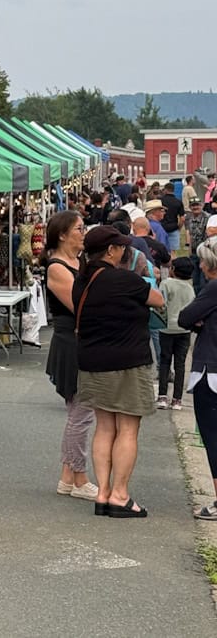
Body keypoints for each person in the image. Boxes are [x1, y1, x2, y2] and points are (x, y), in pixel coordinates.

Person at [72, 225, 163, 518]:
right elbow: (158, 300)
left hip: (92, 362)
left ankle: (102, 492)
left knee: (104, 427)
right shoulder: (125, 279)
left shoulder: (81, 281)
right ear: (110, 250)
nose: (125, 250)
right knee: (128, 428)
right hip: (128, 362)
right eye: (121, 247)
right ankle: (120, 495)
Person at [41, 210, 99, 501]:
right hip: (71, 341)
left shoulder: (81, 261)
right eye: (79, 229)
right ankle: (79, 478)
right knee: (81, 413)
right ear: (62, 234)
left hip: (83, 339)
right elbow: (81, 306)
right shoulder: (56, 267)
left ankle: (67, 477)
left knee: (80, 412)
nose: (83, 233)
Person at [179, 237, 217, 520]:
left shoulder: (213, 288)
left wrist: (200, 321)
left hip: (211, 368)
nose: (200, 266)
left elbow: (185, 317)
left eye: (203, 261)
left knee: (213, 436)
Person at [157, 256, 196, 411]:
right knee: (180, 364)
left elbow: (161, 303)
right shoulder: (190, 288)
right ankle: (177, 400)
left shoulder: (166, 284)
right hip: (184, 329)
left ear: (173, 270)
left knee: (165, 362)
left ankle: (162, 396)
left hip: (166, 328)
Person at [159, 187, 184, 253]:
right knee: (173, 252)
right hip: (173, 227)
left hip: (161, 227)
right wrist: (179, 228)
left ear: (166, 190)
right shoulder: (178, 201)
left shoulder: (160, 201)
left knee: (161, 251)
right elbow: (182, 218)